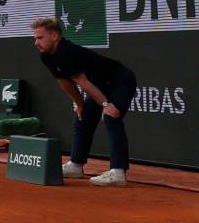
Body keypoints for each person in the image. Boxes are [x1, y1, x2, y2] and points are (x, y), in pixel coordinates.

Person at [31, 16, 138, 186]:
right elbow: (64, 82)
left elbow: (83, 82)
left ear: (54, 36)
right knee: (84, 116)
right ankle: (75, 166)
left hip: (120, 79)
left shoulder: (67, 52)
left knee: (111, 116)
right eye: (35, 38)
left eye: (40, 38)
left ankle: (118, 172)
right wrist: (80, 104)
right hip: (100, 85)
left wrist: (105, 104)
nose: (36, 42)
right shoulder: (46, 55)